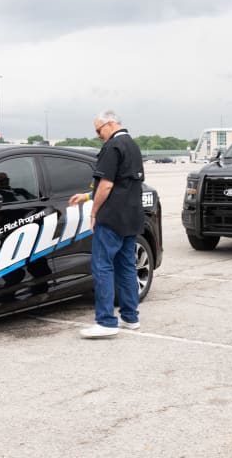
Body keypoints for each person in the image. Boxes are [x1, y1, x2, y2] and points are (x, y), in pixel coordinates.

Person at [69, 110, 145, 338]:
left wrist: (93, 213)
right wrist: (86, 196)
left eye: (98, 130)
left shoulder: (112, 147)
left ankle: (106, 322)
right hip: (132, 216)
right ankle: (131, 317)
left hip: (112, 217)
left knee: (102, 267)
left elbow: (107, 184)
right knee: (127, 267)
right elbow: (123, 183)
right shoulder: (132, 145)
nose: (97, 135)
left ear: (110, 124)